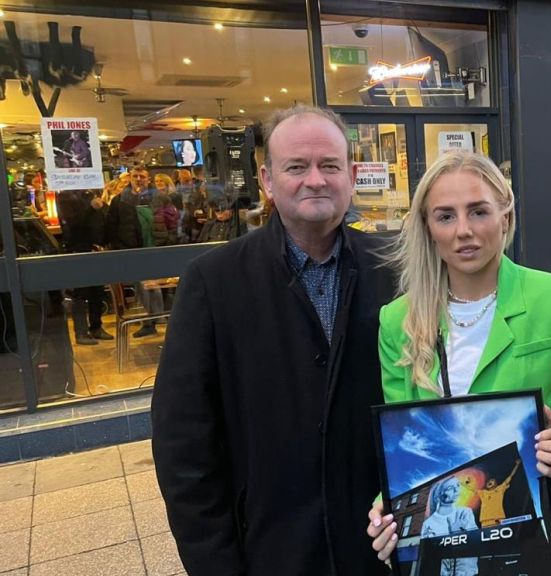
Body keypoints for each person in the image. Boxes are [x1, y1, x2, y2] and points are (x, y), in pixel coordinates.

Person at [152, 104, 396, 576]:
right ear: (266, 179)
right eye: (296, 167)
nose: (316, 180)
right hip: (270, 549)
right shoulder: (213, 282)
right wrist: (215, 563)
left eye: (329, 165)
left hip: (379, 548)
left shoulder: (397, 268)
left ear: (351, 173)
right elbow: (184, 444)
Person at [366, 151, 551, 575]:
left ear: (505, 218)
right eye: (445, 216)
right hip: (445, 548)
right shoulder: (397, 321)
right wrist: (386, 509)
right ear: (428, 229)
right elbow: (399, 443)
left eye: (478, 211)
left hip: (542, 539)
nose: (464, 231)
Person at [106, 165, 163, 338]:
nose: (138, 179)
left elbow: (170, 220)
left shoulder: (158, 198)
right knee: (141, 286)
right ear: (130, 178)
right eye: (135, 176)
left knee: (156, 285)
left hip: (155, 248)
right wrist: (119, 248)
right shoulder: (120, 200)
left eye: (142, 176)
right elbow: (112, 226)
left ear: (148, 179)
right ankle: (149, 321)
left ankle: (157, 318)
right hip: (132, 250)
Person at [56, 189, 112, 345]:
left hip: (96, 248)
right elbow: (73, 223)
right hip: (78, 249)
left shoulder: (89, 193)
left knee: (97, 291)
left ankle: (96, 327)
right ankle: (80, 332)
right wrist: (91, 208)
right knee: (79, 293)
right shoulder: (64, 196)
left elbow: (101, 218)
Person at [420, 475, 479, 576]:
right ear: (439, 495)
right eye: (450, 488)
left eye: (457, 485)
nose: (457, 490)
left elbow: (476, 545)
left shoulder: (464, 513)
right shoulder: (428, 524)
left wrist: (458, 534)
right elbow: (427, 557)